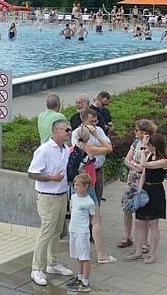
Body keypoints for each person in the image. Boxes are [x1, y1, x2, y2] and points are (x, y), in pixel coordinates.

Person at [27, 119, 74, 286]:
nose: (69, 133)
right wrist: (51, 178)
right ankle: (36, 268)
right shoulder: (44, 150)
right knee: (46, 231)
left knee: (57, 231)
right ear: (56, 131)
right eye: (67, 130)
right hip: (47, 197)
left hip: (61, 195)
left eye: (70, 130)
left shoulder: (65, 150)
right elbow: (32, 173)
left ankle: (52, 264)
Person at [71, 110, 117, 265]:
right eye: (91, 123)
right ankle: (100, 254)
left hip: (76, 186)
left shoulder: (74, 148)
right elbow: (109, 148)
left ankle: (79, 252)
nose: (94, 125)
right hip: (87, 185)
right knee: (96, 220)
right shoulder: (89, 148)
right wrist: (97, 136)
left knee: (78, 219)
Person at [124, 134, 167, 264]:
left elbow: (144, 165)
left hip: (156, 191)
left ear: (154, 146)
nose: (146, 147)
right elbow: (144, 173)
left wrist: (143, 150)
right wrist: (139, 190)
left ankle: (152, 254)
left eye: (149, 145)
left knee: (153, 223)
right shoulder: (149, 155)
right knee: (139, 221)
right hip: (146, 189)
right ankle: (138, 251)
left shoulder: (164, 161)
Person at [118, 119, 157, 250]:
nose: (134, 132)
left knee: (143, 211)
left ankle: (144, 242)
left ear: (145, 132)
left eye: (137, 130)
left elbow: (145, 166)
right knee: (127, 208)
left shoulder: (152, 145)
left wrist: (135, 165)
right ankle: (128, 236)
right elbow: (127, 160)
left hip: (145, 181)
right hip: (132, 180)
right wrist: (136, 166)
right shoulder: (135, 142)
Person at [65, 173, 96, 293]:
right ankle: (80, 277)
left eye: (78, 185)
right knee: (78, 256)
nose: (75, 187)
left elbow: (91, 216)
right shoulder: (73, 197)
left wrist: (84, 227)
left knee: (85, 257)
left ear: (86, 186)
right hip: (73, 230)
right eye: (75, 185)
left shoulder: (89, 202)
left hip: (82, 232)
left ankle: (86, 282)